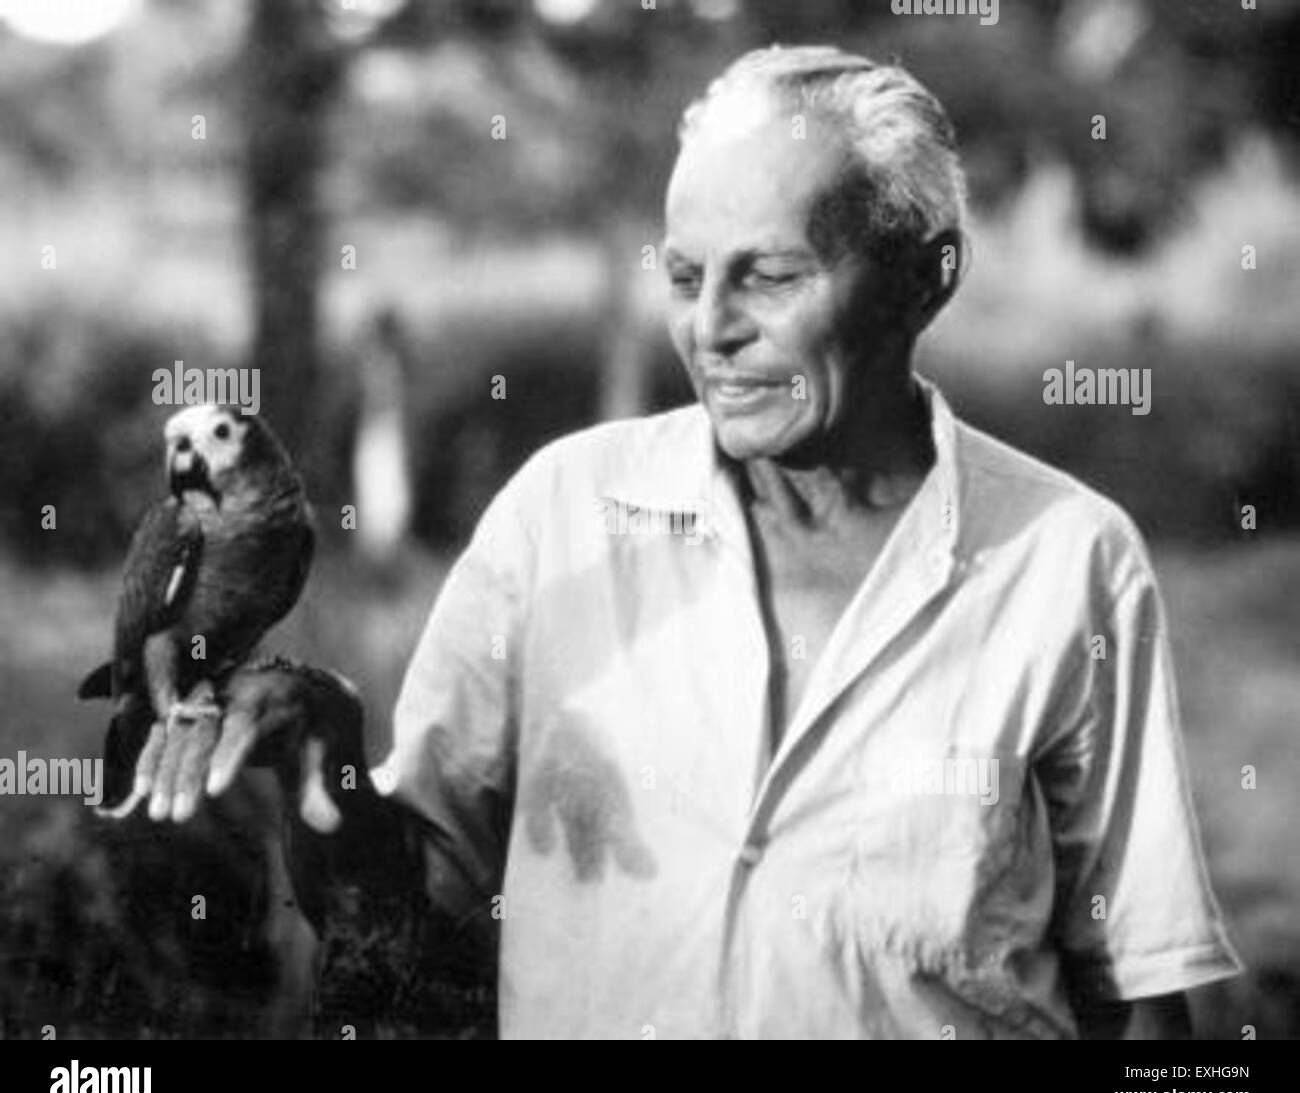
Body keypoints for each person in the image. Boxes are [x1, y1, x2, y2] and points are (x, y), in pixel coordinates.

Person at [131, 45, 1242, 1039]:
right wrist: (320, 739)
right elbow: (413, 910)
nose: (710, 327)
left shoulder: (1066, 559)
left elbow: (1144, 996)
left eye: (769, 273)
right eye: (682, 275)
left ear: (923, 276)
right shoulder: (558, 512)